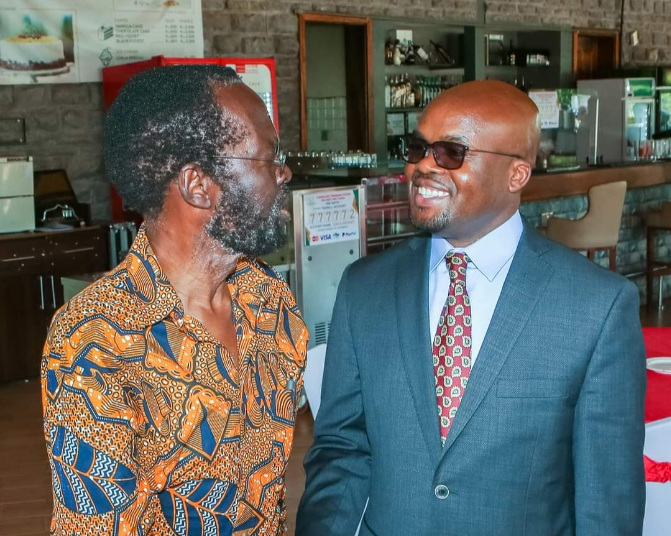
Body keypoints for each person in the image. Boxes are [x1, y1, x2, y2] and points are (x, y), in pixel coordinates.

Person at [297, 80, 646, 536]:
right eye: (418, 147)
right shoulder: (365, 289)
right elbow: (341, 449)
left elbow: (606, 500)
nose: (423, 166)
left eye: (450, 153)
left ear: (516, 174)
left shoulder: (596, 308)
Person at [41, 65, 308, 536]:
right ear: (198, 185)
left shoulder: (268, 299)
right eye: (269, 157)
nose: (284, 173)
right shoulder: (95, 341)